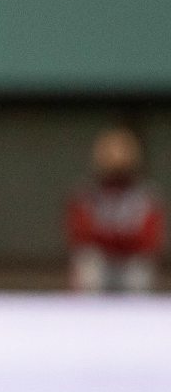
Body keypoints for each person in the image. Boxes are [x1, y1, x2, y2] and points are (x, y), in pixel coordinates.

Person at [66, 126, 164, 294]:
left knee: (139, 270)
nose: (116, 167)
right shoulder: (86, 194)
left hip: (131, 260)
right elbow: (80, 236)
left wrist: (115, 240)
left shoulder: (146, 196)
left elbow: (150, 240)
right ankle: (86, 316)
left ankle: (139, 317)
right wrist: (117, 239)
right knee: (88, 264)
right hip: (101, 261)